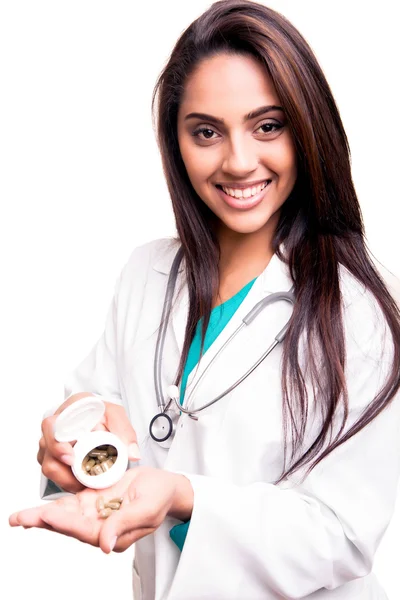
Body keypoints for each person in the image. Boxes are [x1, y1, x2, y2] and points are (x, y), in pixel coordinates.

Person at [9, 0, 400, 598]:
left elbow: (342, 535)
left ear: (308, 128)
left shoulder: (358, 309)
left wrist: (186, 498)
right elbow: (100, 411)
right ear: (176, 141)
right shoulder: (148, 273)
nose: (239, 162)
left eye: (267, 125)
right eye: (207, 132)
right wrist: (69, 442)